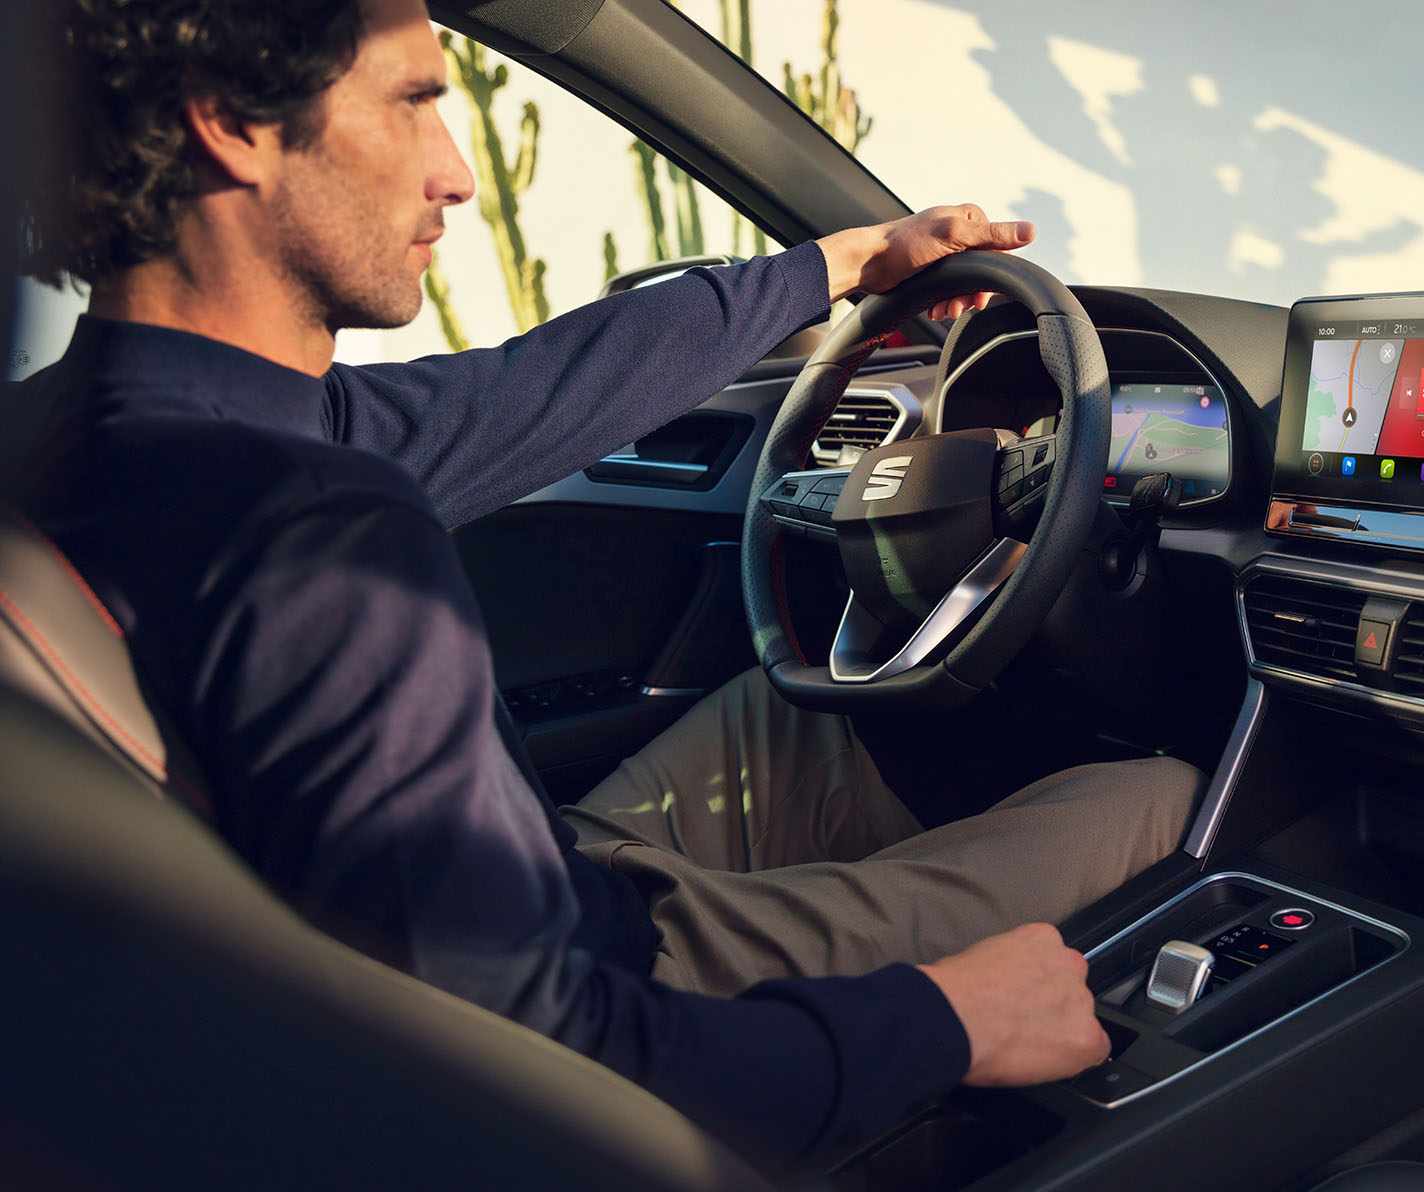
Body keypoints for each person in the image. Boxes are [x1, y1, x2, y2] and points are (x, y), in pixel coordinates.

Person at [5, 0, 1203, 1165]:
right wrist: (943, 1019)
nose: (458, 172)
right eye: (416, 103)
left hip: (502, 905)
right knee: (1160, 798)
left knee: (801, 720)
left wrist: (834, 264)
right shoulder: (312, 526)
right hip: (635, 1001)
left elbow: (528, 392)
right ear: (230, 122)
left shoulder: (85, 435)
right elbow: (529, 1074)